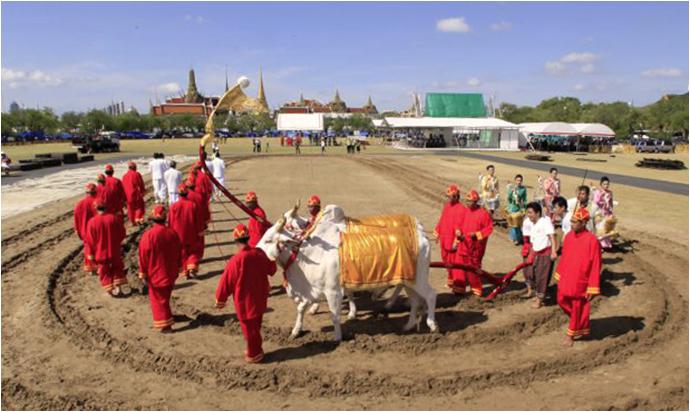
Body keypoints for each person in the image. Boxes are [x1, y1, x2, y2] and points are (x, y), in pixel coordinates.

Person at [215, 224, 277, 363]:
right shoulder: (259, 253)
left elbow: (227, 281)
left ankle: (254, 353)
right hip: (260, 297)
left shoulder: (236, 260)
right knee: (256, 324)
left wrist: (220, 298)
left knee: (249, 329)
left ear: (236, 241)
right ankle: (254, 349)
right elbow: (272, 270)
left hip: (245, 300)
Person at [554, 208, 601, 347]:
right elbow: (564, 257)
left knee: (576, 307)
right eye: (571, 221)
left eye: (575, 222)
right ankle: (579, 322)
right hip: (567, 278)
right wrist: (559, 273)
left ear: (584, 223)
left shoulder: (592, 241)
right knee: (561, 300)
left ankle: (570, 335)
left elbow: (596, 265)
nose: (572, 224)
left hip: (581, 282)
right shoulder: (568, 236)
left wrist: (592, 287)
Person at [138, 205, 182, 333]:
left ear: (152, 220)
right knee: (165, 297)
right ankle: (168, 317)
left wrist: (143, 273)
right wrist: (178, 267)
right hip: (170, 272)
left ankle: (165, 325)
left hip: (155, 273)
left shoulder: (148, 236)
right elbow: (179, 252)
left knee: (158, 300)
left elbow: (143, 256)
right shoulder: (172, 233)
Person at [453, 190, 493, 297]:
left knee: (473, 271)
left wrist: (476, 235)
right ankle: (458, 289)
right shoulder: (464, 211)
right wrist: (457, 231)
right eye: (466, 201)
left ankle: (476, 290)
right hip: (462, 245)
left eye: (469, 201)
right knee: (458, 268)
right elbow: (458, 224)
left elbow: (489, 229)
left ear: (476, 202)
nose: (467, 203)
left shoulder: (484, 214)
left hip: (474, 248)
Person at [85, 200, 128, 296]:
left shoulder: (92, 222)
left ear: (95, 208)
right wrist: (117, 243)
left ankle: (110, 292)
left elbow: (90, 240)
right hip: (114, 250)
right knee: (117, 268)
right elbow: (122, 233)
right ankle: (119, 289)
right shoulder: (114, 218)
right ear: (106, 207)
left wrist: (91, 253)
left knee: (104, 272)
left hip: (100, 252)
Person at [521, 202, 558, 308]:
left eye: (530, 213)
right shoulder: (533, 224)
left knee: (542, 276)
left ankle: (539, 300)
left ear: (537, 213)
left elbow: (552, 236)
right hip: (536, 253)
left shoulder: (545, 222)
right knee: (532, 274)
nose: (528, 215)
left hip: (545, 254)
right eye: (527, 213)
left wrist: (554, 251)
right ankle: (538, 295)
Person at [434, 184, 466, 291]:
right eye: (448, 197)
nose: (449, 199)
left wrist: (456, 242)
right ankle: (450, 279)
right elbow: (442, 220)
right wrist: (437, 231)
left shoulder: (461, 209)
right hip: (444, 239)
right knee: (446, 261)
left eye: (452, 196)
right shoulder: (447, 206)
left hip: (453, 241)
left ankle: (456, 284)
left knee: (454, 263)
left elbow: (461, 227)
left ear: (457, 196)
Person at [169, 184, 203, 279]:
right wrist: (200, 231)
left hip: (178, 233)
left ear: (178, 194)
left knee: (182, 252)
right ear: (187, 193)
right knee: (194, 251)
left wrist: (171, 233)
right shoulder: (192, 205)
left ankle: (185, 271)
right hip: (192, 232)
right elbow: (198, 220)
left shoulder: (174, 206)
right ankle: (192, 265)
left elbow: (171, 221)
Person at [74, 183, 99, 275]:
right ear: (96, 192)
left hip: (84, 231)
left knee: (88, 249)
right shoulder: (97, 202)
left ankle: (91, 269)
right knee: (98, 249)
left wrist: (77, 230)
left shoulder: (80, 204)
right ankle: (97, 267)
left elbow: (76, 218)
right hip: (96, 231)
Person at [592, 176, 617, 249]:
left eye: (607, 184)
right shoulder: (598, 192)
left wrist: (611, 211)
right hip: (599, 213)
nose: (606, 186)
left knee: (607, 228)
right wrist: (600, 196)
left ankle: (606, 244)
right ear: (601, 184)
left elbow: (611, 202)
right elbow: (595, 202)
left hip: (607, 213)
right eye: (604, 184)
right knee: (600, 229)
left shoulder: (610, 192)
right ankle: (599, 244)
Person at [121, 161, 146, 226]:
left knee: (130, 209)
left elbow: (123, 187)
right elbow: (141, 184)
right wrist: (143, 191)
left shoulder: (124, 176)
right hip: (136, 194)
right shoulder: (137, 174)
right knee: (139, 207)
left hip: (128, 195)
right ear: (134, 167)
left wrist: (123, 198)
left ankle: (132, 221)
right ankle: (137, 218)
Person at [505, 174, 527, 245]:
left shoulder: (523, 189)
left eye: (520, 180)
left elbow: (525, 200)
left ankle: (518, 238)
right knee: (513, 225)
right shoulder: (511, 188)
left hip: (519, 208)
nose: (519, 182)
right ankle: (515, 238)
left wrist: (524, 208)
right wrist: (511, 192)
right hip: (512, 208)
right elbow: (509, 199)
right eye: (517, 180)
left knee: (518, 224)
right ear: (515, 181)